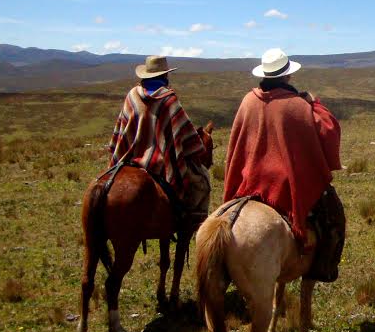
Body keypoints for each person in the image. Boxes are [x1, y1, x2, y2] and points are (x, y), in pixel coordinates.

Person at [223, 48, 342, 260]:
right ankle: (322, 267)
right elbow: (328, 130)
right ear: (288, 75)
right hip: (283, 184)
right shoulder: (297, 105)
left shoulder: (247, 101)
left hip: (248, 181)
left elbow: (237, 146)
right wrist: (314, 103)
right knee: (331, 212)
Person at [109, 55, 211, 235]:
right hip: (161, 165)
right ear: (165, 75)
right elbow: (185, 134)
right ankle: (190, 224)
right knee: (202, 181)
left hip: (129, 160)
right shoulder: (169, 99)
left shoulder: (132, 96)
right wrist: (196, 147)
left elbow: (121, 130)